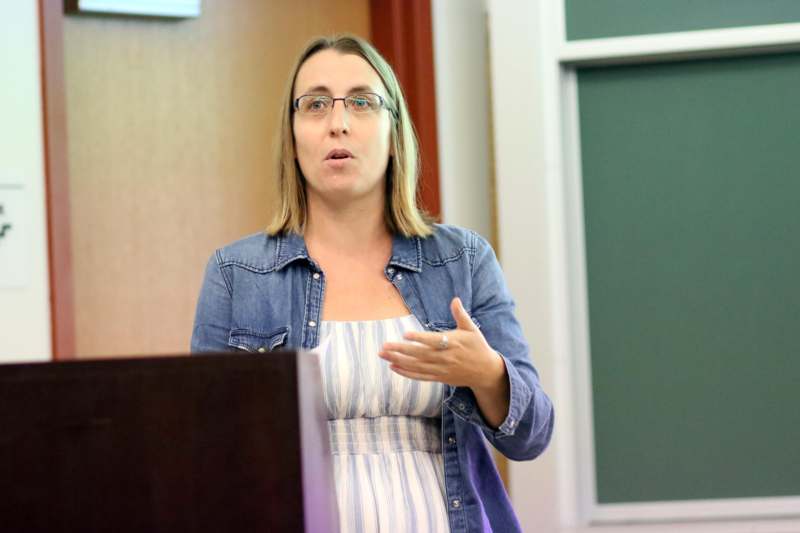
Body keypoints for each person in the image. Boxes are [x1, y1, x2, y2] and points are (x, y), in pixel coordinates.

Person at [191, 34, 554, 533]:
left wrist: (487, 373)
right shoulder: (237, 273)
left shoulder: (463, 259)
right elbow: (202, 454)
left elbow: (532, 437)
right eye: (315, 104)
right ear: (293, 138)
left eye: (362, 102)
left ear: (393, 130)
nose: (338, 122)